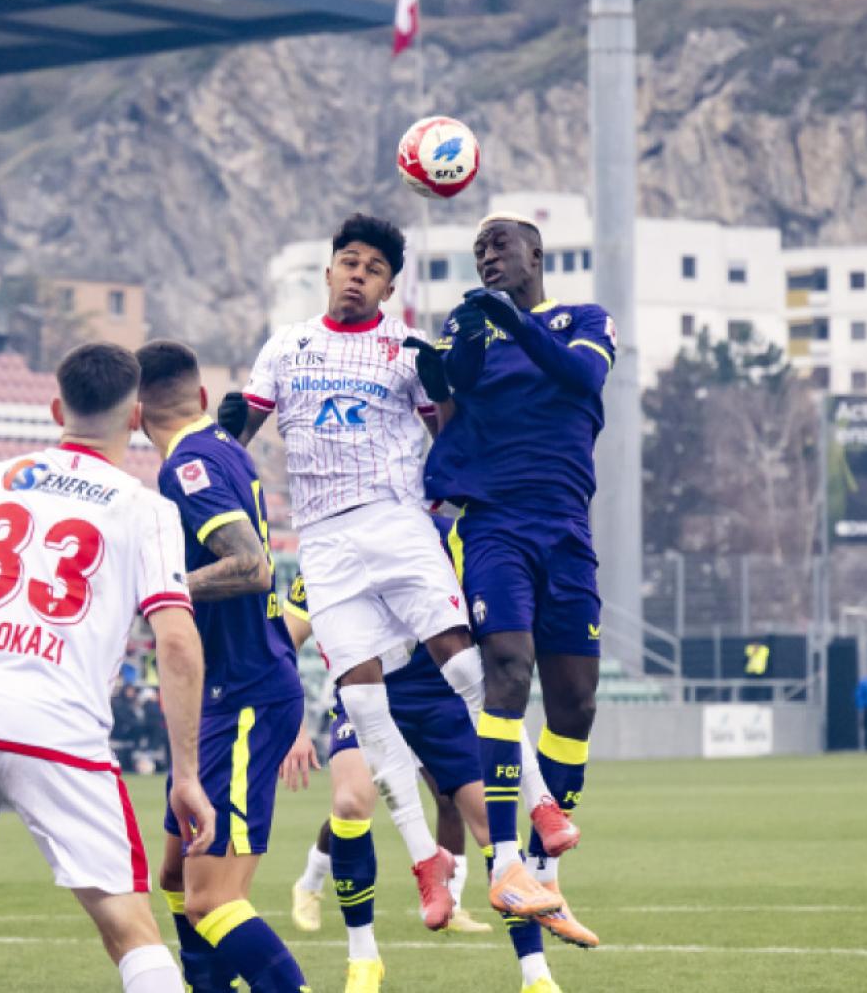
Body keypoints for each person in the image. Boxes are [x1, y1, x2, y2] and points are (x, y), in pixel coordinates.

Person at [230, 213, 558, 931]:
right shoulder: (285, 347)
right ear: (328, 271)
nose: (357, 273)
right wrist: (208, 451)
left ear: (388, 285)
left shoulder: (407, 347)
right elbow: (240, 430)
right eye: (347, 261)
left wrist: (460, 429)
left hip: (394, 517)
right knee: (362, 696)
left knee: (459, 659)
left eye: (372, 268)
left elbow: (449, 430)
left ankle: (539, 801)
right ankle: (423, 866)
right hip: (320, 539)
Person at [0, 342, 212, 993]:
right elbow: (176, 642)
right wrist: (186, 774)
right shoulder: (146, 510)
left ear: (56, 407)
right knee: (130, 930)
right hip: (58, 731)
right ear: (135, 416)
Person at [417, 211, 612, 930]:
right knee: (508, 666)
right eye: (477, 251)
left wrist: (510, 320)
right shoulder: (472, 327)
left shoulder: (584, 320)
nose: (486, 257)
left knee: (578, 703)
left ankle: (546, 877)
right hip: (496, 521)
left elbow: (583, 376)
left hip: (567, 527)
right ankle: (503, 861)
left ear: (536, 253)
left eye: (498, 246)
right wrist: (455, 347)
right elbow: (444, 386)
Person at [278, 558, 584, 993]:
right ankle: (363, 959)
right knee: (349, 803)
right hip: (367, 693)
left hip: (442, 700)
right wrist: (294, 727)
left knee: (492, 825)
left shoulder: (438, 541)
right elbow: (284, 641)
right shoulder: (333, 551)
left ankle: (536, 976)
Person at [136, 340, 311, 993]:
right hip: (218, 697)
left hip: (243, 696)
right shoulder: (223, 449)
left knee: (211, 900)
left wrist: (162, 588)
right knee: (176, 877)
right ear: (202, 397)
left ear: (134, 414)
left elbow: (249, 564)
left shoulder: (189, 465)